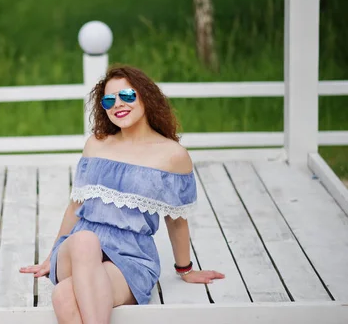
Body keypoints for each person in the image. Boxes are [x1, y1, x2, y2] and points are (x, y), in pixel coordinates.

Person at [20, 65, 225, 323]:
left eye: (127, 96)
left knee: (63, 295)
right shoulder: (96, 144)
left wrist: (185, 270)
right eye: (109, 100)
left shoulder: (172, 155)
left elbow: (176, 220)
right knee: (85, 241)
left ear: (145, 97)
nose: (118, 104)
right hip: (77, 251)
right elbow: (75, 206)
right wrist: (51, 257)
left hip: (131, 258)